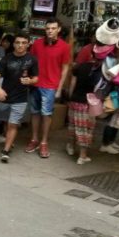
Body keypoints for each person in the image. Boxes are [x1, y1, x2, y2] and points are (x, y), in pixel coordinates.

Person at [27, 19, 70, 159]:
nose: (50, 31)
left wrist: (60, 88)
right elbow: (30, 62)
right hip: (35, 83)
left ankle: (44, 142)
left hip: (51, 86)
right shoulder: (37, 44)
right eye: (47, 28)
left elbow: (65, 69)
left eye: (53, 28)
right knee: (34, 113)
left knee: (47, 114)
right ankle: (34, 139)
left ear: (59, 29)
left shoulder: (64, 47)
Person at [0, 33, 39, 164]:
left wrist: (30, 81)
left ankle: (6, 151)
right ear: (14, 44)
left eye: (23, 43)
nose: (20, 45)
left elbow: (36, 78)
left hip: (21, 98)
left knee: (13, 124)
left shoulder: (32, 60)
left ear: (28, 44)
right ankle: (9, 141)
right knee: (6, 122)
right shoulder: (6, 59)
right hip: (5, 96)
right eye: (18, 42)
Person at [66, 52, 103, 165]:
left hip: (75, 100)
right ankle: (82, 156)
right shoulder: (102, 71)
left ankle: (71, 148)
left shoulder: (79, 67)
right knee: (85, 129)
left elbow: (73, 83)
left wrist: (70, 97)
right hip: (88, 103)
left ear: (91, 55)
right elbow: (100, 91)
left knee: (73, 126)